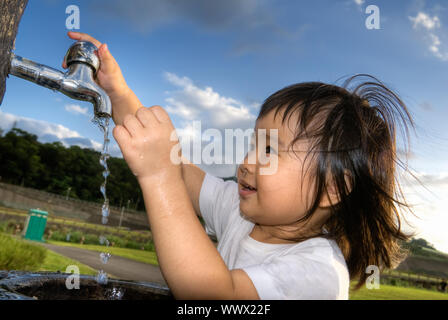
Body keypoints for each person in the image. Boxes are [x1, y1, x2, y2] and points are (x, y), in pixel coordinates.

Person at [63, 31, 415, 299]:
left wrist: (158, 177)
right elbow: (178, 166)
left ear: (333, 188)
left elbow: (215, 295)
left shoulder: (318, 272)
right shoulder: (238, 210)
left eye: (269, 150)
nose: (246, 162)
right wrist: (119, 92)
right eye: (252, 145)